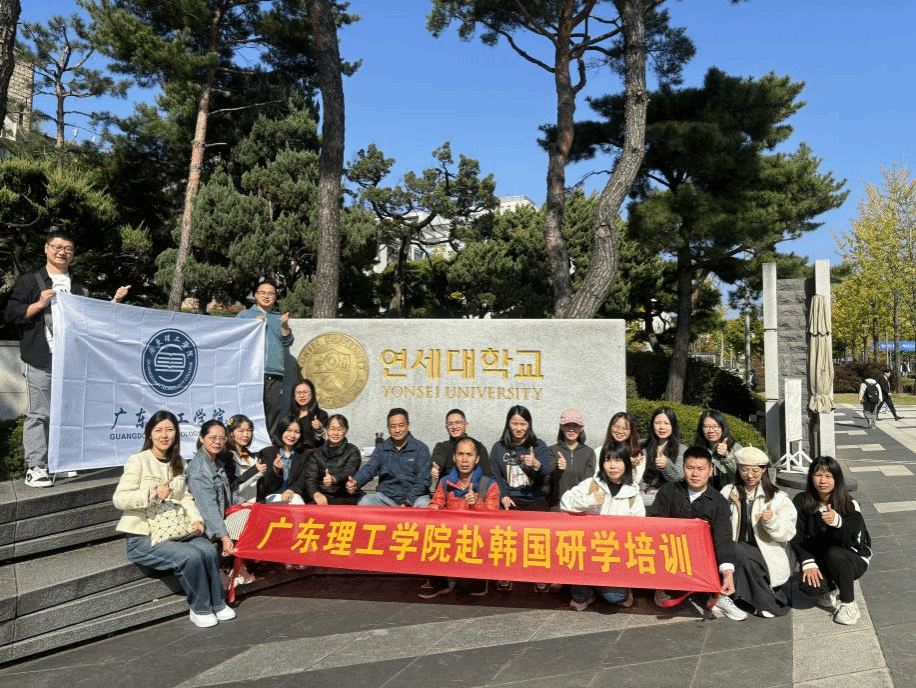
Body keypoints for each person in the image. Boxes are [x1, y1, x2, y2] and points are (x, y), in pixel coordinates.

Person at [5, 228, 130, 488]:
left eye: (68, 249)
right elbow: (11, 314)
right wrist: (39, 304)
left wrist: (114, 301)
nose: (62, 252)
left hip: (72, 361)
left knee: (67, 413)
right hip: (41, 358)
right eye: (57, 247)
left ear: (73, 254)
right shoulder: (30, 281)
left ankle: (57, 462)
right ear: (46, 249)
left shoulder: (79, 286)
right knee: (39, 413)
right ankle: (35, 467)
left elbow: (92, 319)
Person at [112, 410, 234, 628]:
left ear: (176, 434)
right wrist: (151, 494)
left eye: (169, 430)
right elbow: (119, 499)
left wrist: (196, 519)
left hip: (177, 530)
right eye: (158, 430)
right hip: (144, 537)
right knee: (191, 556)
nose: (164, 435)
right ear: (150, 434)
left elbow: (185, 496)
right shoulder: (138, 461)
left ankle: (218, 603)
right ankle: (200, 609)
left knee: (207, 549)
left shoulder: (179, 462)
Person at [651, 447, 741, 621]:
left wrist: (727, 574)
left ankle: (716, 594)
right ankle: (665, 588)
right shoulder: (668, 491)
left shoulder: (719, 502)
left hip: (703, 557)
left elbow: (723, 538)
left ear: (710, 471)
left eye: (701, 469)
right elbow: (655, 523)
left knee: (725, 552)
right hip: (672, 553)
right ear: (683, 468)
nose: (695, 474)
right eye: (690, 468)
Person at [560, 442, 644, 611]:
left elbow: (639, 529)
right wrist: (588, 500)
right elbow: (564, 503)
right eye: (607, 460)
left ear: (626, 464)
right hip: (587, 552)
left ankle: (601, 586)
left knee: (616, 597)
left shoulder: (633, 495)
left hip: (614, 556)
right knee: (578, 596)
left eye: (618, 460)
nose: (612, 466)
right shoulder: (591, 484)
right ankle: (588, 589)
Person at [791, 456, 871, 625]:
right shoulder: (801, 501)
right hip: (821, 557)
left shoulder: (849, 504)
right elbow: (796, 536)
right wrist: (808, 562)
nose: (823, 481)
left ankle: (849, 605)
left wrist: (838, 523)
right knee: (809, 585)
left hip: (852, 558)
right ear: (811, 477)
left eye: (829, 476)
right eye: (818, 475)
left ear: (837, 479)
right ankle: (830, 588)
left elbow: (853, 542)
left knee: (835, 554)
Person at [720, 447, 796, 618]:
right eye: (744, 470)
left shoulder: (778, 498)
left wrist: (772, 521)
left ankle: (746, 602)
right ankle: (769, 603)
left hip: (766, 551)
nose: (750, 475)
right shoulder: (728, 492)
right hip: (735, 548)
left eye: (755, 470)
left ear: (764, 470)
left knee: (745, 557)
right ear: (738, 469)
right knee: (739, 551)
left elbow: (789, 532)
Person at [420, 437, 500, 599]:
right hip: (450, 535)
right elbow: (436, 504)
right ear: (454, 457)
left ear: (477, 459)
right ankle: (440, 581)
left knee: (469, 588)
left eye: (469, 455)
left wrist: (477, 503)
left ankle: (477, 578)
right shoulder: (445, 482)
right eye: (460, 454)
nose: (464, 460)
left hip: (475, 539)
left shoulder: (489, 485)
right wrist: (433, 508)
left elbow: (493, 521)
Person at [489, 405, 552, 592]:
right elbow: (495, 476)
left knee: (540, 532)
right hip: (510, 498)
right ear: (508, 424)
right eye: (514, 423)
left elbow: (548, 470)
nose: (519, 428)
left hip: (534, 497)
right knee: (504, 532)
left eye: (523, 424)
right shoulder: (499, 448)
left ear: (529, 424)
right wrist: (503, 495)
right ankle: (506, 573)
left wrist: (536, 464)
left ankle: (539, 573)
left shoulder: (538, 445)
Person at [236, 280, 292, 437]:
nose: (266, 296)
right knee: (249, 411)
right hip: (250, 373)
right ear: (255, 295)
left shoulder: (279, 318)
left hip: (274, 372)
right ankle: (246, 443)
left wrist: (285, 326)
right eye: (262, 293)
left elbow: (287, 342)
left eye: (270, 293)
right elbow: (234, 338)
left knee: (273, 412)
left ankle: (270, 444)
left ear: (275, 297)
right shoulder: (244, 315)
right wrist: (251, 324)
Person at [346, 408, 432, 507]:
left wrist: (408, 501)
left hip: (415, 498)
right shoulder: (382, 448)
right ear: (388, 428)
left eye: (401, 425)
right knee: (364, 502)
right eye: (393, 426)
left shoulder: (420, 448)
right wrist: (356, 481)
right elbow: (370, 468)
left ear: (408, 426)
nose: (397, 430)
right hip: (387, 497)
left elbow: (423, 480)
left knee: (425, 505)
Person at [185, 420, 237, 560]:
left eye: (222, 438)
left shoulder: (217, 462)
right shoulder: (198, 469)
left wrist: (244, 503)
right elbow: (208, 507)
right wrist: (224, 536)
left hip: (222, 519)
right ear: (202, 438)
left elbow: (226, 495)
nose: (218, 442)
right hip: (208, 530)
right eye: (213, 438)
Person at [304, 414, 363, 505]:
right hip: (322, 494)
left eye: (340, 429)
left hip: (345, 495)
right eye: (332, 429)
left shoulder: (352, 451)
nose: (336, 433)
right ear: (326, 430)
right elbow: (311, 477)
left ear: (346, 431)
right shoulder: (317, 453)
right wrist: (315, 493)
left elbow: (349, 471)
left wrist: (334, 479)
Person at [547, 408, 596, 510]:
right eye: (567, 425)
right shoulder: (552, 451)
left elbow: (588, 482)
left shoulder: (589, 452)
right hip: (556, 505)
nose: (571, 429)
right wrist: (558, 469)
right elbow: (547, 480)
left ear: (581, 428)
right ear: (561, 427)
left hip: (580, 505)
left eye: (575, 426)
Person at [639, 407, 687, 507]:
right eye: (658, 423)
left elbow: (680, 478)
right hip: (642, 496)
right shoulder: (642, 446)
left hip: (668, 500)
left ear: (673, 426)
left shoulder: (682, 450)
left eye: (666, 423)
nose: (662, 427)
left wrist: (666, 466)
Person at [257, 415, 308, 504]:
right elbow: (265, 486)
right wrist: (275, 470)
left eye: (297, 432)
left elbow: (304, 479)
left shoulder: (304, 454)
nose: (292, 435)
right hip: (272, 496)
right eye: (288, 430)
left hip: (295, 496)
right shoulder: (267, 453)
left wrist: (292, 490)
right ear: (281, 431)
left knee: (296, 500)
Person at [430, 409, 491, 482]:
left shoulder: (478, 447)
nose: (454, 427)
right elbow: (438, 459)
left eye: (458, 422)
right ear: (446, 428)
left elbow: (486, 474)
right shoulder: (442, 447)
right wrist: (436, 467)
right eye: (450, 424)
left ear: (466, 425)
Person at [694, 410, 743, 489]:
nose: (710, 430)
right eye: (706, 427)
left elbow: (741, 475)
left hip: (729, 494)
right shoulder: (697, 450)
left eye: (715, 426)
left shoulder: (736, 448)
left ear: (723, 428)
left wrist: (727, 456)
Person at [225, 414, 265, 504]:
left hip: (255, 505)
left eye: (249, 430)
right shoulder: (228, 457)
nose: (246, 434)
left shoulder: (253, 457)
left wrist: (275, 469)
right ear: (231, 433)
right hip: (239, 506)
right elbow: (233, 488)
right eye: (241, 431)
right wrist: (255, 470)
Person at [603, 411, 644, 485]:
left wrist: (632, 466)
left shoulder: (638, 455)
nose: (620, 431)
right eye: (616, 427)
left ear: (631, 431)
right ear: (610, 427)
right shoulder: (600, 452)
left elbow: (636, 481)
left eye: (625, 428)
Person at [289, 379, 329, 449]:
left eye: (305, 392)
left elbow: (325, 441)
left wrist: (320, 428)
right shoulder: (289, 414)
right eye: (298, 393)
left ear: (312, 394)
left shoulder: (321, 415)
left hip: (313, 453)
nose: (302, 396)